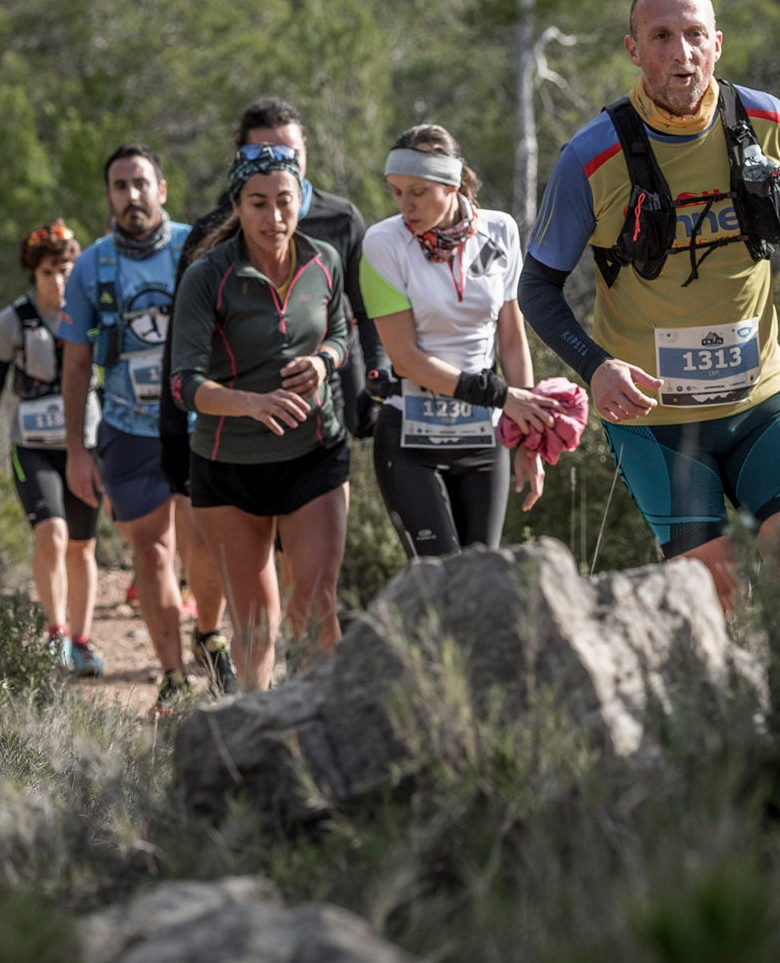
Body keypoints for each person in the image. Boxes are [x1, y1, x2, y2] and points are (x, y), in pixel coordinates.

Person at [520, 0, 780, 609]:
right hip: (656, 422)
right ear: (634, 49)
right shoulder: (591, 155)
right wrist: (595, 367)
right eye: (661, 37)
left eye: (695, 36)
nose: (681, 53)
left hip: (761, 402)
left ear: (717, 44)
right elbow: (536, 287)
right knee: (718, 608)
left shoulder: (768, 121)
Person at [58, 146, 236, 709]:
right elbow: (76, 363)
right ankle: (173, 676)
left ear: (162, 189)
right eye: (119, 186)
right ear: (108, 196)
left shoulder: (198, 246)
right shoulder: (92, 266)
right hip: (127, 430)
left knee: (203, 544)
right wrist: (76, 450)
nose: (131, 196)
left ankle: (208, 632)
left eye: (141, 184)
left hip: (198, 422)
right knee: (152, 554)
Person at [170, 143, 352, 691]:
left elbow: (343, 333)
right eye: (258, 204)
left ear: (301, 200)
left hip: (315, 455)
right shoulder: (208, 277)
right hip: (230, 464)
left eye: (285, 201)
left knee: (315, 609)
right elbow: (183, 384)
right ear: (237, 206)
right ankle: (261, 736)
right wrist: (252, 402)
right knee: (255, 624)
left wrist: (324, 363)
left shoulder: (325, 260)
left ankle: (329, 730)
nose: (274, 217)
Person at [158, 97, 386, 498]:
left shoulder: (342, 220)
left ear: (305, 156)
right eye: (258, 203)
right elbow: (182, 345)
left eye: (290, 153)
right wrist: (173, 434)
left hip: (323, 425)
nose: (274, 217)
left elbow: (363, 316)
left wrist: (369, 393)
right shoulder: (211, 238)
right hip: (235, 442)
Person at [360, 124, 563, 558]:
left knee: (480, 580)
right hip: (410, 439)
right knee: (438, 581)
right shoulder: (383, 242)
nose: (404, 205)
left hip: (483, 439)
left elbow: (511, 338)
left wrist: (529, 437)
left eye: (417, 191)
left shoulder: (501, 230)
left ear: (452, 184)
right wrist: (501, 396)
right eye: (396, 192)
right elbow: (408, 359)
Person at [0, 220, 100, 670]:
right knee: (52, 533)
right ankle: (56, 632)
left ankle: (82, 641)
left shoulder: (94, 312)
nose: (59, 281)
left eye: (66, 270)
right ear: (34, 274)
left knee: (82, 546)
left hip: (85, 443)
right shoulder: (14, 321)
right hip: (33, 446)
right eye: (48, 273)